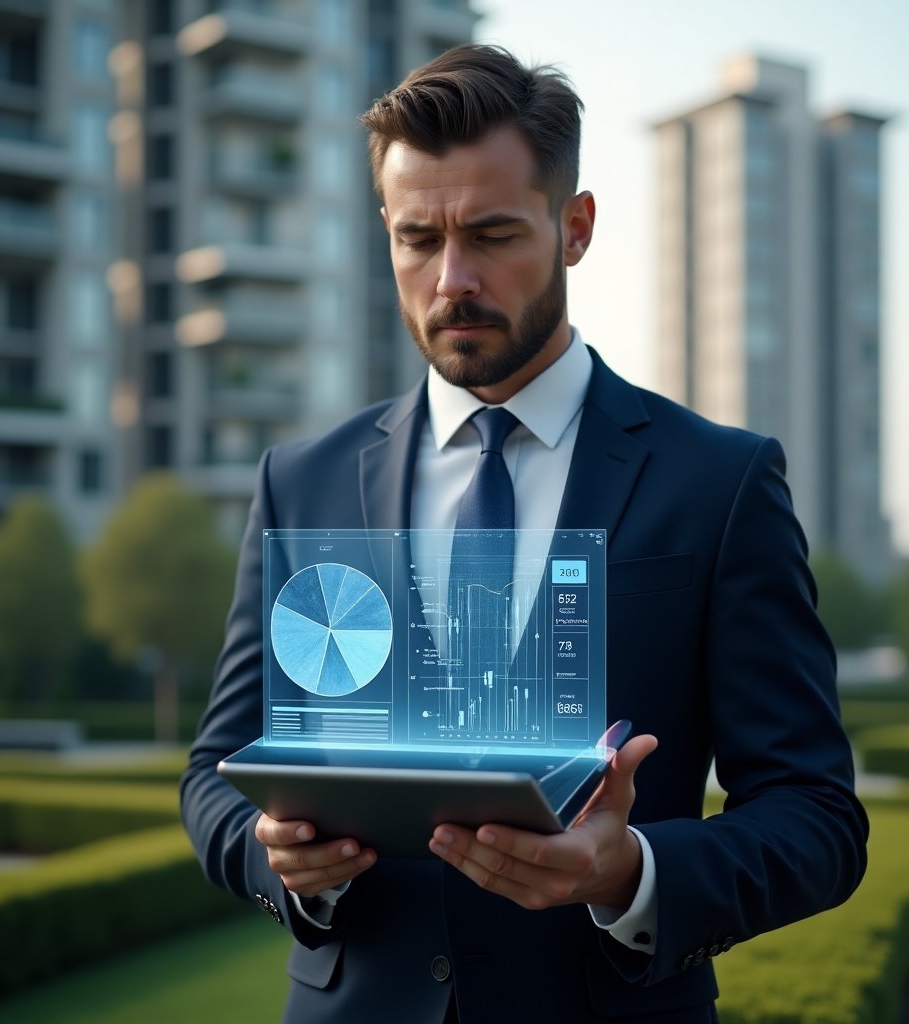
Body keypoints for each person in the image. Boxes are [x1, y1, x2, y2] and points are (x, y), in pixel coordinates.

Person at [181, 44, 868, 1024]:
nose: (450, 278)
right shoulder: (303, 480)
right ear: (386, 231)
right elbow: (214, 771)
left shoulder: (718, 482)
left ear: (574, 226)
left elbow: (817, 818)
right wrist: (276, 857)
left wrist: (630, 872)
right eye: (418, 238)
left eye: (492, 233)